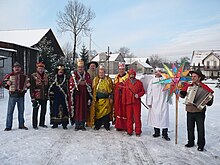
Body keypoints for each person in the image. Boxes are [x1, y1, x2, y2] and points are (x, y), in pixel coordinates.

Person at [180, 69, 214, 151]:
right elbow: (182, 95)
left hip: (199, 111)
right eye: (192, 76)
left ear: (199, 77)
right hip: (189, 110)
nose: (193, 78)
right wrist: (182, 93)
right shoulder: (188, 86)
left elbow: (210, 96)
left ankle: (201, 144)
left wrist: (208, 101)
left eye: (195, 76)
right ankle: (190, 142)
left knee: (200, 128)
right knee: (190, 127)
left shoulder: (204, 87)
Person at [2, 62, 30, 131]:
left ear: (20, 68)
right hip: (12, 96)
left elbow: (27, 85)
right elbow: (2, 83)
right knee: (10, 112)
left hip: (21, 96)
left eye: (18, 67)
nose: (17, 68)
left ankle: (21, 125)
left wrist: (28, 85)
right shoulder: (9, 76)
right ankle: (8, 126)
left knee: (21, 111)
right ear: (13, 68)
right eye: (15, 67)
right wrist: (7, 83)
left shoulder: (24, 76)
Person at [147, 68, 171, 141]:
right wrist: (149, 102)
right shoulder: (152, 81)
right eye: (156, 72)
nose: (157, 73)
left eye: (159, 72)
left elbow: (170, 88)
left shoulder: (166, 80)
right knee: (155, 117)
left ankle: (165, 133)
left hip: (163, 101)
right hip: (155, 102)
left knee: (164, 118)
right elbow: (149, 91)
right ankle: (156, 132)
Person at [88, 65, 113, 130]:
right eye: (100, 72)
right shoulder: (96, 79)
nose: (101, 74)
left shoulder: (108, 79)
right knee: (98, 114)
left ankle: (106, 125)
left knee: (106, 113)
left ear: (104, 72)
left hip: (106, 101)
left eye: (102, 72)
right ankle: (97, 125)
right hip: (98, 101)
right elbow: (93, 89)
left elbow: (111, 90)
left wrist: (111, 97)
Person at [69, 59, 92, 131]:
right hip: (77, 95)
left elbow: (89, 82)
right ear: (77, 68)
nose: (80, 69)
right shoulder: (74, 75)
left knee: (84, 109)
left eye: (81, 67)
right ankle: (77, 123)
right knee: (77, 109)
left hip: (84, 95)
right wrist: (78, 83)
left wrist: (85, 83)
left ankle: (82, 124)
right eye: (79, 67)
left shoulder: (87, 74)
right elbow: (71, 83)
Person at [123, 68, 145, 136]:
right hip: (128, 103)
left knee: (137, 117)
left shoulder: (139, 83)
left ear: (135, 75)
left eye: (133, 74)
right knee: (129, 117)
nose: (131, 76)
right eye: (130, 74)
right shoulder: (126, 83)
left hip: (136, 103)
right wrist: (124, 102)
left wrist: (138, 95)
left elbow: (143, 91)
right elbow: (124, 93)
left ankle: (138, 131)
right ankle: (129, 130)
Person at [48, 64, 69, 129]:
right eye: (59, 70)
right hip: (56, 96)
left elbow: (68, 87)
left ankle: (64, 123)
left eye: (62, 70)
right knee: (55, 109)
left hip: (63, 96)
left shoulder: (66, 78)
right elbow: (50, 86)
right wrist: (51, 93)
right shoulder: (53, 78)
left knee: (64, 109)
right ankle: (55, 123)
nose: (61, 71)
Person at [30, 62, 49, 129]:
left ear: (44, 69)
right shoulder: (33, 76)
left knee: (43, 110)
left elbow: (48, 86)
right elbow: (32, 87)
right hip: (36, 95)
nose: (41, 70)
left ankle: (42, 123)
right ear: (37, 69)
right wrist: (32, 97)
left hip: (44, 95)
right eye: (39, 68)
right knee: (35, 110)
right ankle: (34, 124)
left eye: (42, 68)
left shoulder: (46, 76)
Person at [113, 62, 129, 131]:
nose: (121, 71)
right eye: (120, 70)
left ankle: (125, 126)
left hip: (125, 97)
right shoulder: (116, 77)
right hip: (117, 97)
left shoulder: (128, 77)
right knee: (117, 110)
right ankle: (118, 125)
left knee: (124, 111)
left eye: (122, 69)